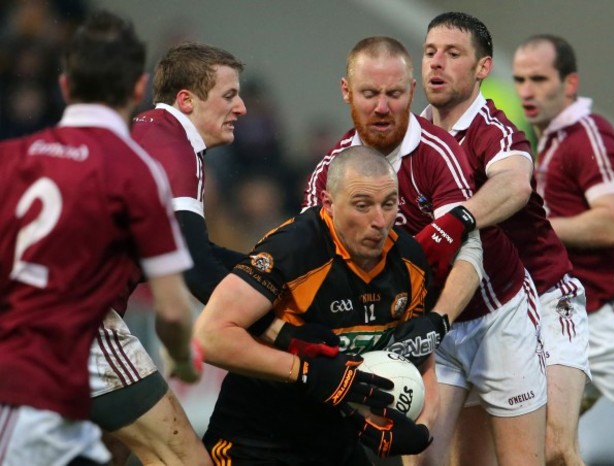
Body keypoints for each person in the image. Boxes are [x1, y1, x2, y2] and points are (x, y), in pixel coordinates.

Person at [302, 36, 547, 465]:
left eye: (394, 94)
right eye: (369, 94)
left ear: (411, 92)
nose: (382, 107)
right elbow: (316, 267)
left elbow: (469, 255)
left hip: (495, 314)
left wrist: (438, 318)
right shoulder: (329, 176)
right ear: (346, 92)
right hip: (424, 331)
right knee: (425, 456)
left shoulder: (440, 152)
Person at [0, 10, 198, 466]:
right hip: (77, 341)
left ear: (66, 86)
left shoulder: (12, 157)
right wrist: (183, 361)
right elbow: (170, 309)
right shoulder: (135, 170)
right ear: (136, 88)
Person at [420, 13, 590, 466]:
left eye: (453, 54)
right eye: (430, 51)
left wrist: (449, 225)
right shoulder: (411, 136)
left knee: (555, 450)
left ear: (482, 68)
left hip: (547, 297)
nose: (436, 63)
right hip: (471, 312)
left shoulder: (494, 130)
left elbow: (514, 185)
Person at [195, 146, 436, 464]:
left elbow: (421, 354)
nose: (379, 221)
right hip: (256, 443)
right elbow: (209, 337)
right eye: (362, 205)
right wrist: (306, 371)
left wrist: (423, 429)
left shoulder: (410, 261)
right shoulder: (294, 250)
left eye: (388, 204)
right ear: (329, 204)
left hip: (337, 444)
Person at [88, 42, 251, 466]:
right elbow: (193, 267)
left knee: (110, 446)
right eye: (230, 96)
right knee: (185, 458)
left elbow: (187, 248)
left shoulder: (140, 131)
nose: (242, 108)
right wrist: (268, 315)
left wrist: (267, 272)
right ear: (186, 101)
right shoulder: (179, 149)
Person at [513, 34, 614, 441]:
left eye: (538, 78)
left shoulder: (585, 134)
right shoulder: (555, 139)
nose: (526, 90)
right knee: (546, 444)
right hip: (572, 322)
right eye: (520, 79)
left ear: (569, 83)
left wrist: (537, 226)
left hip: (613, 315)